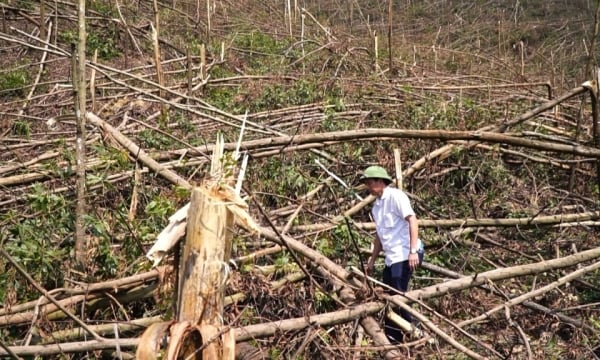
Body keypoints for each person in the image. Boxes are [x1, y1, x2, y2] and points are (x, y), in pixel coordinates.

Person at [362, 165, 424, 343]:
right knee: (387, 295)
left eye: (370, 182)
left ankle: (415, 331)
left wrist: (413, 252)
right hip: (392, 258)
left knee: (398, 293)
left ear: (381, 182)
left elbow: (412, 220)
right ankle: (394, 338)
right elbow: (379, 237)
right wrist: (372, 260)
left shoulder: (396, 196)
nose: (368, 186)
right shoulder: (376, 207)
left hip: (405, 253)